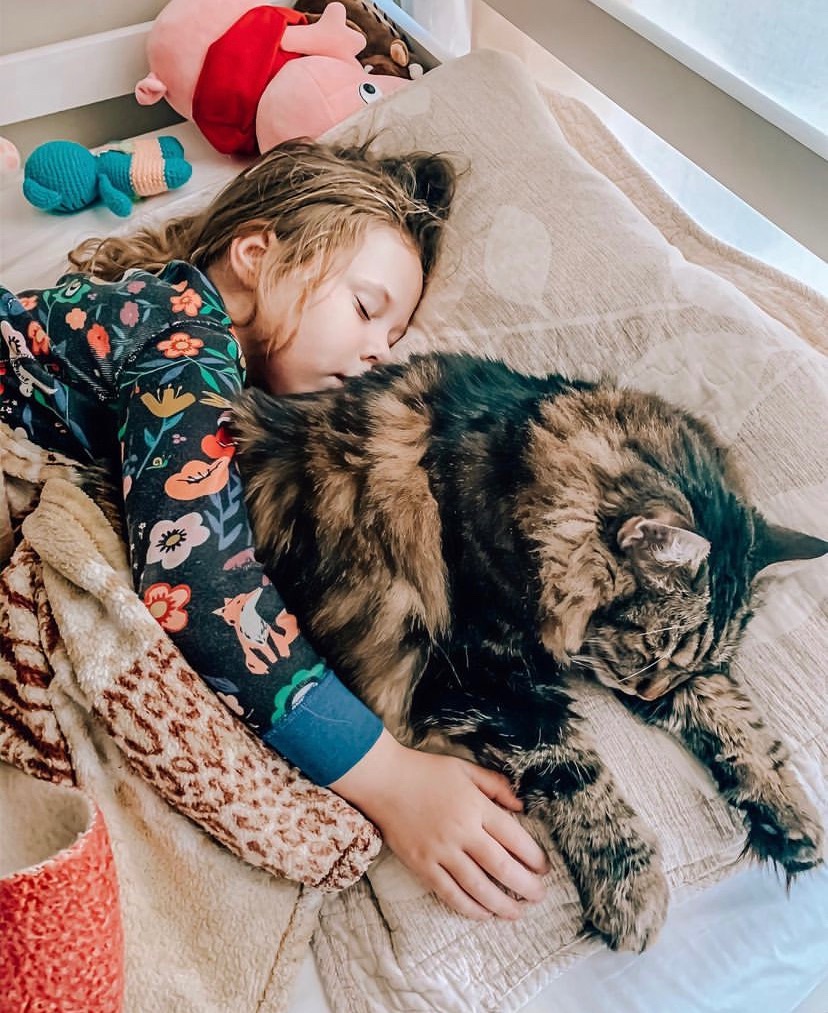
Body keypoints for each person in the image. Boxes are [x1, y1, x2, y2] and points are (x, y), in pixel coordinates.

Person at [0, 138, 548, 920]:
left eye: (394, 341)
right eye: (366, 309)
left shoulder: (173, 323)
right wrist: (390, 777)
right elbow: (198, 584)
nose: (377, 353)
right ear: (256, 255)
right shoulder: (188, 342)